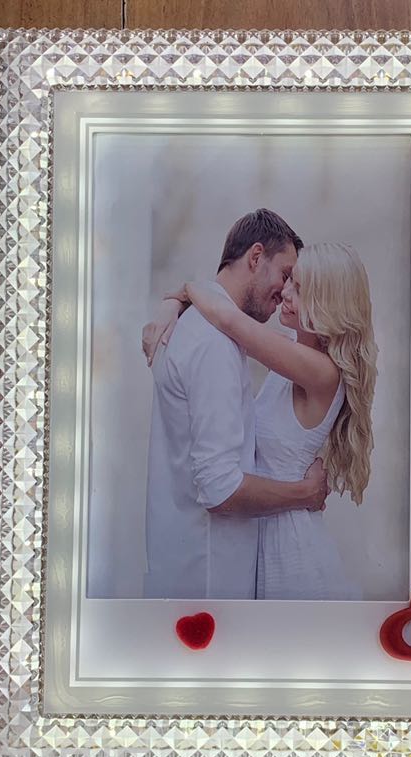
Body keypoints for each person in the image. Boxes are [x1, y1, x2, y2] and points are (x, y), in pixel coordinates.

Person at [144, 241, 378, 600]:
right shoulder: (294, 350)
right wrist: (172, 304)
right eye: (290, 280)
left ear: (327, 304)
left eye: (300, 288)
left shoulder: (321, 371)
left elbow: (228, 319)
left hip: (290, 545)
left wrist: (185, 291)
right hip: (267, 530)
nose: (286, 292)